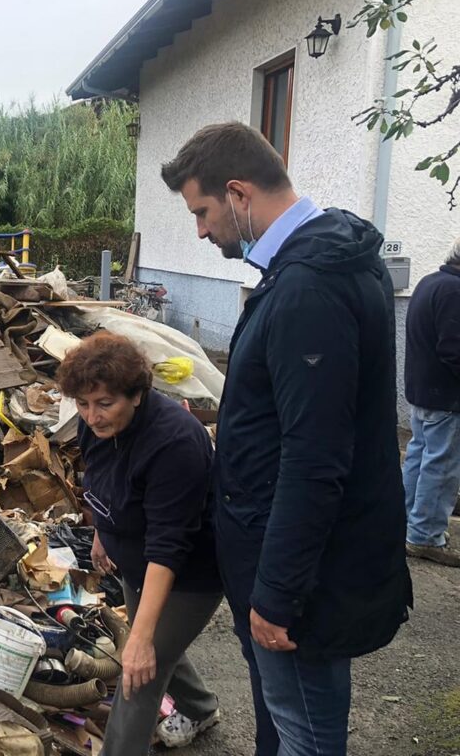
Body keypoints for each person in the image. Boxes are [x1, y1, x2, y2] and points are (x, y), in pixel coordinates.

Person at [161, 122, 412, 756]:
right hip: (299, 560)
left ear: (239, 193)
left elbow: (315, 456)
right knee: (289, 721)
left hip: (301, 579)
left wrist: (276, 595)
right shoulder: (321, 263)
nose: (199, 230)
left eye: (202, 211)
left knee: (305, 732)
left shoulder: (310, 287)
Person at [56, 332, 224, 755]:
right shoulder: (97, 422)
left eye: (104, 404)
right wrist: (102, 532)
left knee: (139, 671)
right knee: (148, 644)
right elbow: (102, 479)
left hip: (189, 572)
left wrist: (143, 639)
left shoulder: (176, 443)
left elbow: (169, 546)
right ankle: (201, 708)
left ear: (136, 394)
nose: (91, 417)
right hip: (132, 557)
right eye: (82, 404)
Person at [402, 236, 460, 566]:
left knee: (419, 457)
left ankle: (406, 522)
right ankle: (425, 536)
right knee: (441, 466)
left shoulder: (430, 282)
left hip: (423, 390)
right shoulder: (454, 292)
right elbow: (454, 350)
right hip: (446, 396)